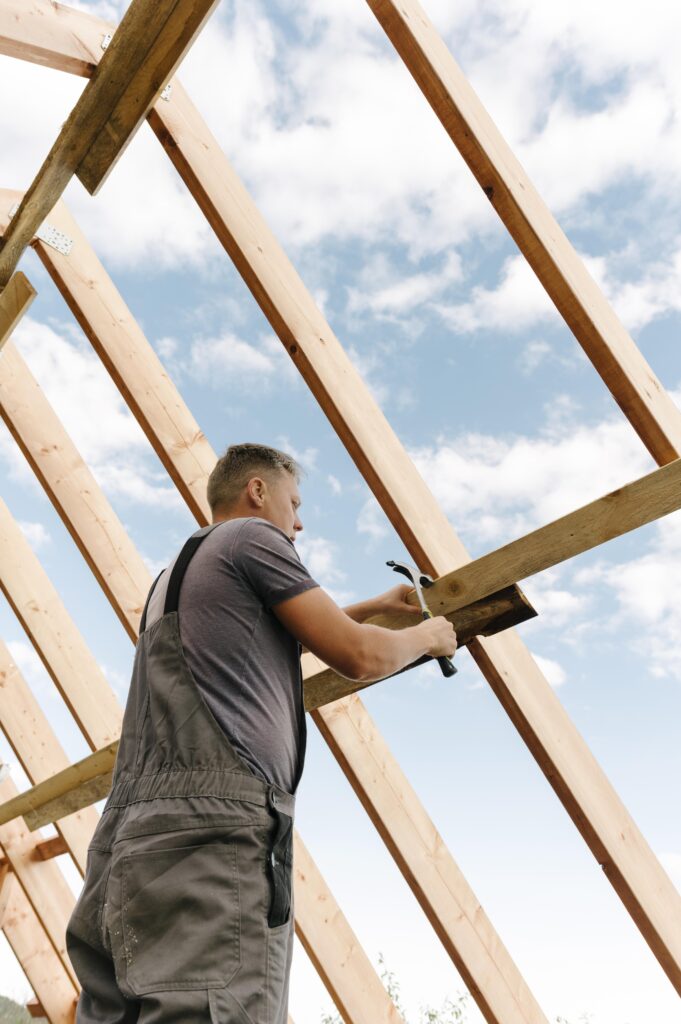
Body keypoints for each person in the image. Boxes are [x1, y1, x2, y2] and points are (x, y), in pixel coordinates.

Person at [66, 443, 457, 1023]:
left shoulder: (175, 575)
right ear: (257, 490)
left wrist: (373, 604)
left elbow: (262, 634)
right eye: (294, 503)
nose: (298, 523)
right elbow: (356, 655)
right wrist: (431, 637)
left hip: (130, 840)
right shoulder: (253, 538)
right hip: (212, 836)